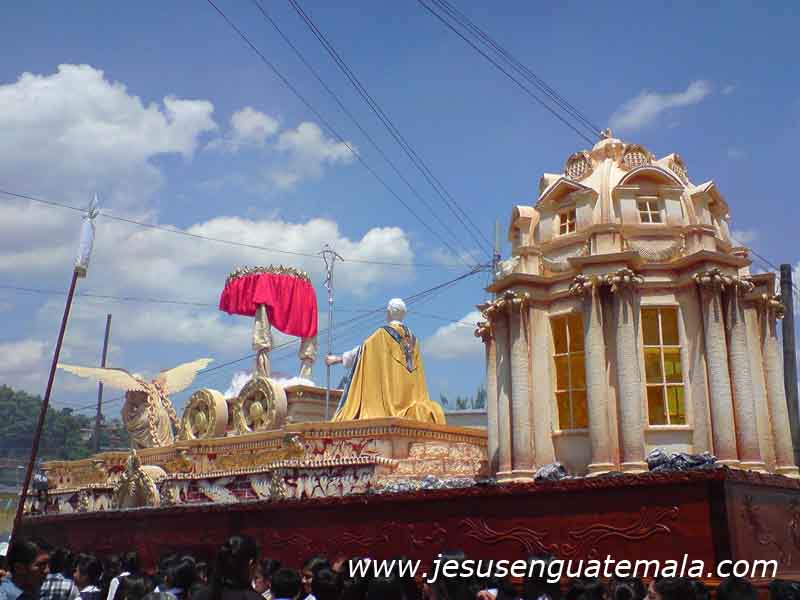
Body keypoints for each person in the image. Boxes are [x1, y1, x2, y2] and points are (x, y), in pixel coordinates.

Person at [327, 298, 445, 424]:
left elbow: (362, 350)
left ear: (388, 312)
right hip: (412, 399)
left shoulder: (383, 334)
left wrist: (338, 359)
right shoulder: (414, 341)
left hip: (389, 401)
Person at [193, 536, 262, 600]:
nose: (258, 568)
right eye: (258, 563)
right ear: (250, 563)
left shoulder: (200, 595)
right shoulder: (252, 598)